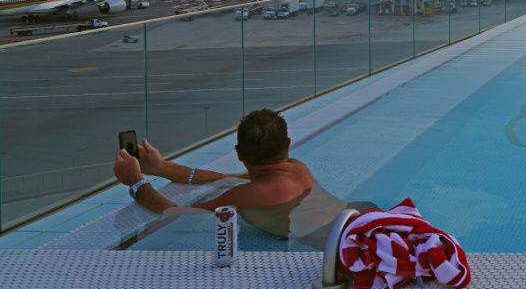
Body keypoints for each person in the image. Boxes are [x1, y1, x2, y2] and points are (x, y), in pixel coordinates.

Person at [113, 109, 355, 243]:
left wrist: (136, 182)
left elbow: (177, 215)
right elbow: (225, 178)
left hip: (336, 245)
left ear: (239, 153)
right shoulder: (297, 168)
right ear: (288, 144)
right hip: (353, 225)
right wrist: (162, 168)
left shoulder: (248, 194)